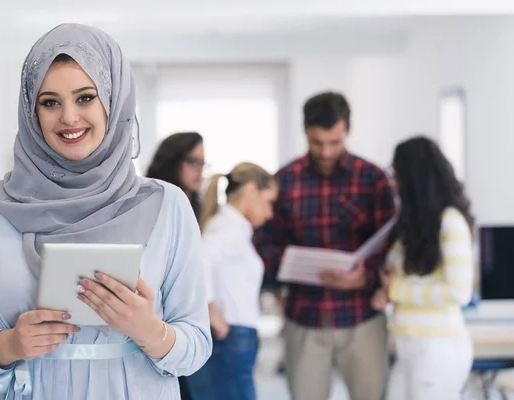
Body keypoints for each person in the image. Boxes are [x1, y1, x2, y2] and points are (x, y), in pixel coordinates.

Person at [0, 23, 212, 400]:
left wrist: (149, 329)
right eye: (50, 102)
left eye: (85, 98)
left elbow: (197, 345)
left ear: (113, 102)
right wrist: (9, 345)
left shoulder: (167, 206)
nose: (69, 117)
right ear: (32, 113)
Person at [254, 91, 396, 400]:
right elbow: (264, 242)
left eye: (334, 142)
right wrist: (288, 266)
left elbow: (390, 246)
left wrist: (366, 275)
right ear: (305, 130)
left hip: (362, 319)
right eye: (317, 143)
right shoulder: (285, 180)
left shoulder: (373, 179)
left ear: (347, 131)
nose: (327, 152)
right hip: (304, 317)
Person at [372, 136, 474, 400]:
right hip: (408, 347)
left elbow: (458, 291)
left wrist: (396, 290)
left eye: (396, 173)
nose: (391, 181)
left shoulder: (451, 222)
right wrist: (387, 291)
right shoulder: (410, 226)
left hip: (437, 349)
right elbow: (405, 281)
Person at [186, 163, 278, 400]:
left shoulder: (232, 227)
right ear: (250, 190)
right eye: (268, 202)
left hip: (233, 340)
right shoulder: (229, 229)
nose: (270, 214)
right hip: (228, 341)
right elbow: (201, 259)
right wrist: (208, 308)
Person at [146, 132, 205, 399]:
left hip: (187, 330)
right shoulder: (155, 202)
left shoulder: (196, 205)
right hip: (156, 327)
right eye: (194, 162)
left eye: (204, 164)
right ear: (174, 160)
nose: (200, 172)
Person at [146, 132, 205, 218]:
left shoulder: (201, 209)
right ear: (173, 161)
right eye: (193, 161)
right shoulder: (149, 204)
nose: (199, 169)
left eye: (202, 163)